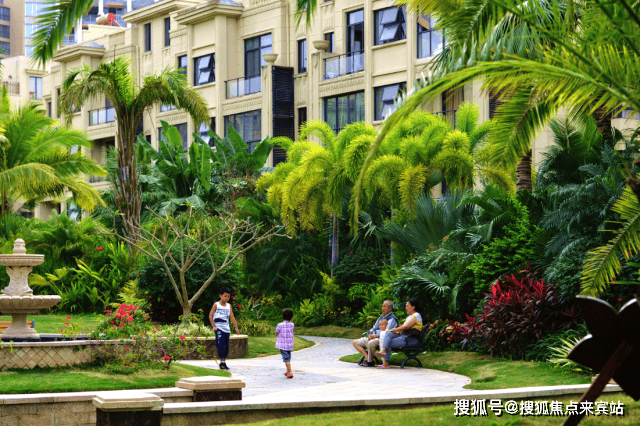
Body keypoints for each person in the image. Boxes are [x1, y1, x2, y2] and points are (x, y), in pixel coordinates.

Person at [376, 299, 423, 369]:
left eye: (407, 306)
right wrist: (395, 331)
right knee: (388, 335)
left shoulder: (416, 315)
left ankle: (385, 361)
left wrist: (393, 329)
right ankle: (383, 352)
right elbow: (404, 329)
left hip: (410, 340)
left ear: (413, 307)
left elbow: (405, 327)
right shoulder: (410, 317)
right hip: (404, 338)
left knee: (387, 340)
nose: (405, 308)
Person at [352, 300, 397, 367]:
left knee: (371, 343)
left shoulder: (392, 319)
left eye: (385, 306)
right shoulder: (380, 318)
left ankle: (369, 362)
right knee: (355, 342)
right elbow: (373, 328)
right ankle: (367, 358)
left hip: (382, 339)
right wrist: (370, 334)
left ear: (390, 308)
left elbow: (387, 332)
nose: (382, 308)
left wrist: (376, 335)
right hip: (373, 337)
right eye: (382, 306)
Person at [209, 287, 240, 371]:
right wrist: (214, 326)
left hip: (227, 329)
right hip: (219, 329)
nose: (227, 298)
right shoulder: (216, 305)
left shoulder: (229, 306)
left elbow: (232, 317)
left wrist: (236, 328)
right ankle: (221, 363)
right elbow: (210, 315)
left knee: (226, 347)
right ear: (220, 295)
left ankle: (224, 362)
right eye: (225, 296)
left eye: (228, 296)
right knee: (221, 345)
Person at [276, 308, 295, 379]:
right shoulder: (292, 325)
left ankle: (290, 371)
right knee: (288, 358)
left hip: (282, 345)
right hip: (289, 345)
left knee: (286, 359)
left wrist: (278, 333)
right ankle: (288, 370)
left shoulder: (280, 325)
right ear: (291, 317)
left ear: (283, 316)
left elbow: (276, 333)